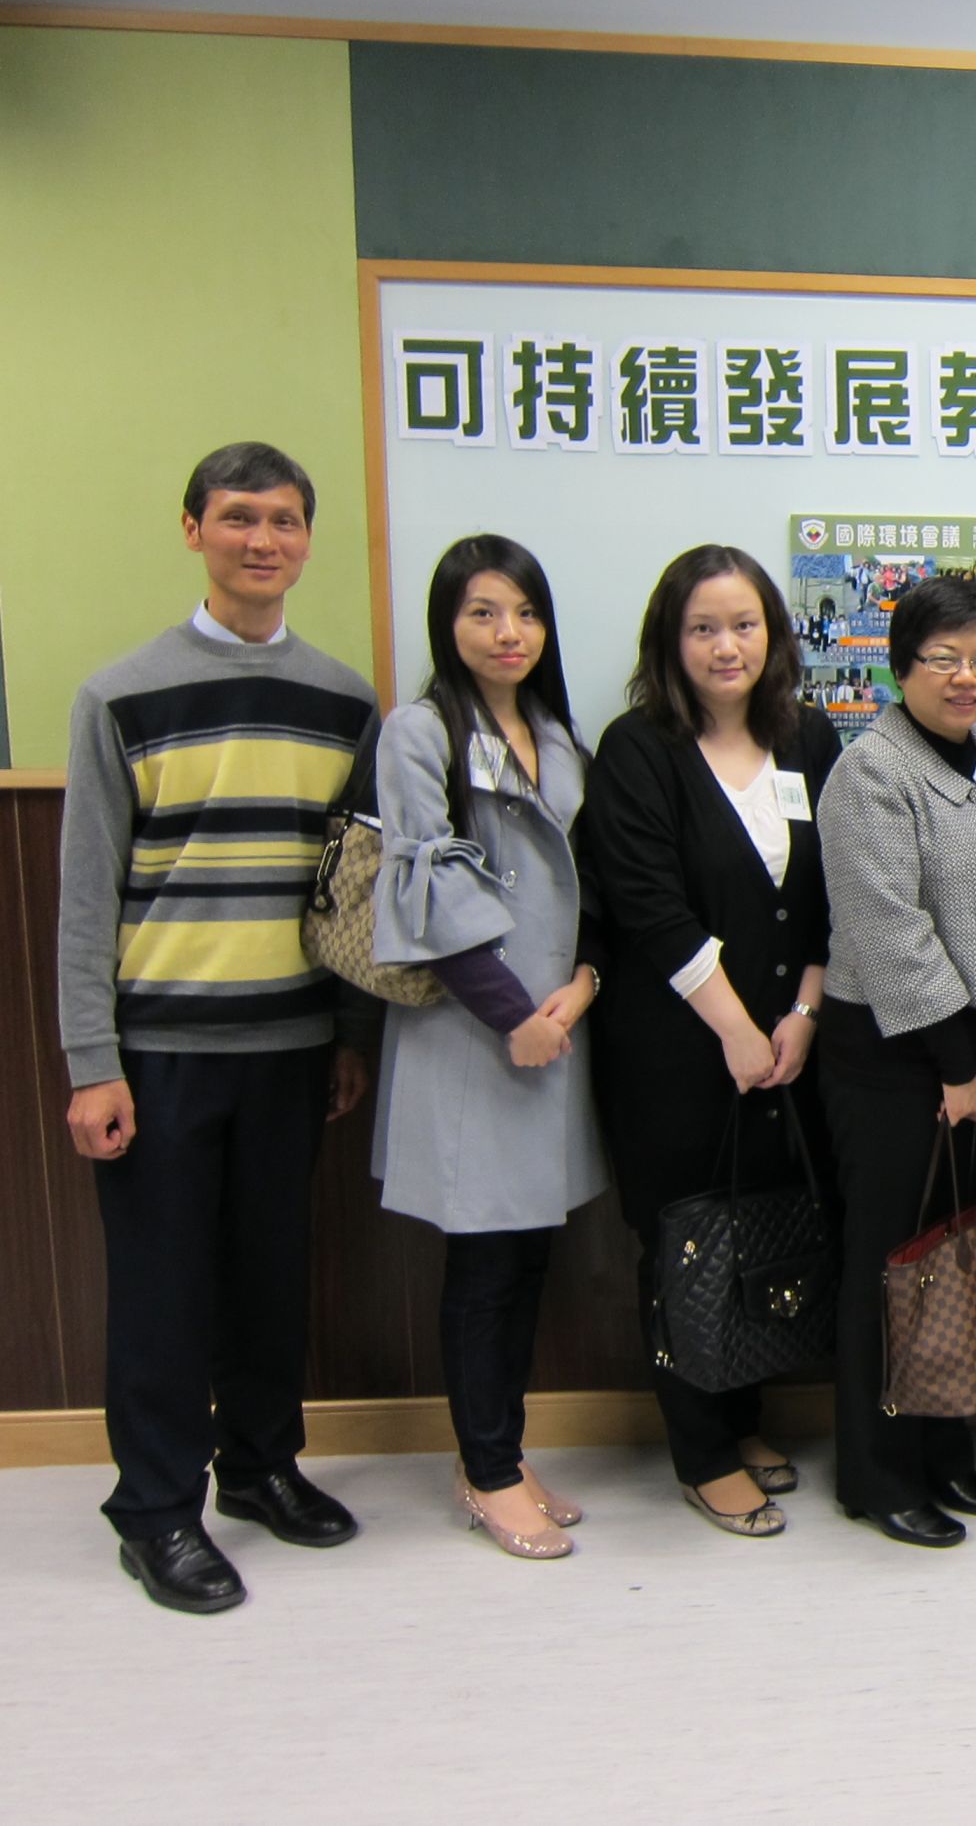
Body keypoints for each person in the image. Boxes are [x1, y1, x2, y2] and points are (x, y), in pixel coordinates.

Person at [58, 441, 375, 1614]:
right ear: (193, 529)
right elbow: (86, 898)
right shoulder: (120, 693)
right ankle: (154, 1511)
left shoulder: (345, 700)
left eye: (285, 520)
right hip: (161, 1054)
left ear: (307, 540)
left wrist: (347, 1032)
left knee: (268, 1280)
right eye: (239, 517)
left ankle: (258, 1466)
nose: (263, 539)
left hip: (291, 1050)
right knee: (162, 1294)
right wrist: (92, 1062)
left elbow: (351, 891)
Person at [579, 545, 840, 1536]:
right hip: (677, 1052)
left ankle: (742, 1413)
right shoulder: (638, 748)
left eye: (743, 625)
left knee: (762, 1229)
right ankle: (700, 1452)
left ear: (772, 634)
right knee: (687, 1240)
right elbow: (649, 905)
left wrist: (804, 1014)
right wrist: (735, 1026)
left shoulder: (808, 737)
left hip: (789, 1045)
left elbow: (832, 892)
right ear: (669, 639)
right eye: (702, 628)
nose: (726, 646)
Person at [370, 535, 609, 1558]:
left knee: (527, 1256)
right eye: (482, 612)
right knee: (483, 1259)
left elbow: (595, 879)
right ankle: (486, 1468)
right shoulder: (420, 731)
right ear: (448, 624)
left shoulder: (560, 735)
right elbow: (429, 886)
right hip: (478, 1033)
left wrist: (582, 988)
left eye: (525, 611)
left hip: (555, 1025)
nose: (508, 632)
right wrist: (514, 1014)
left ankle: (502, 1451)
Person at [815, 576, 976, 1549]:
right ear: (900, 665)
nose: (965, 676)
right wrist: (955, 1063)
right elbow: (890, 930)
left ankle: (946, 1446)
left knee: (955, 1257)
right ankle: (877, 1472)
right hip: (894, 1062)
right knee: (889, 1267)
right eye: (943, 657)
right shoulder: (870, 770)